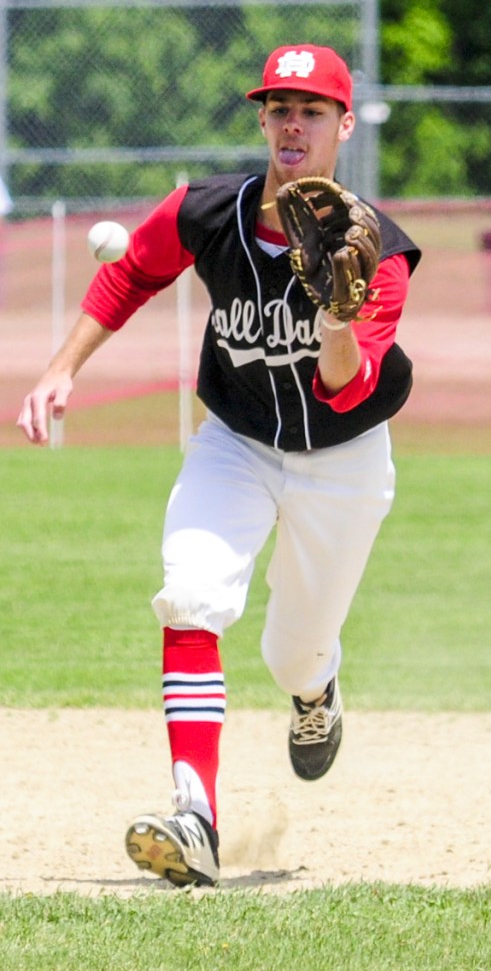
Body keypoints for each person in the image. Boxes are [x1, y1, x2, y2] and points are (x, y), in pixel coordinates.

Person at [17, 44, 421, 888]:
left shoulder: (375, 250)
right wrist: (62, 371)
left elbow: (346, 392)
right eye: (277, 106)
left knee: (294, 652)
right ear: (261, 121)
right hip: (233, 440)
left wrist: (337, 313)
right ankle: (194, 814)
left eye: (311, 109)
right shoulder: (207, 213)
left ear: (342, 125)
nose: (291, 123)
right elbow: (128, 274)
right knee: (192, 591)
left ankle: (317, 690)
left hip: (340, 460)